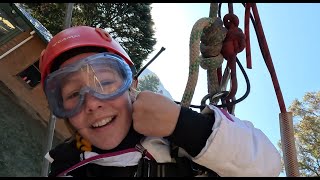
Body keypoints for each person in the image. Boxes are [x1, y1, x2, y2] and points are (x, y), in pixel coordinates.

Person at [40, 25, 281, 177]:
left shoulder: (180, 142)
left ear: (131, 84)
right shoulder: (66, 165)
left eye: (104, 82)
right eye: (73, 95)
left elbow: (267, 165)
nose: (92, 103)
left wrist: (186, 126)